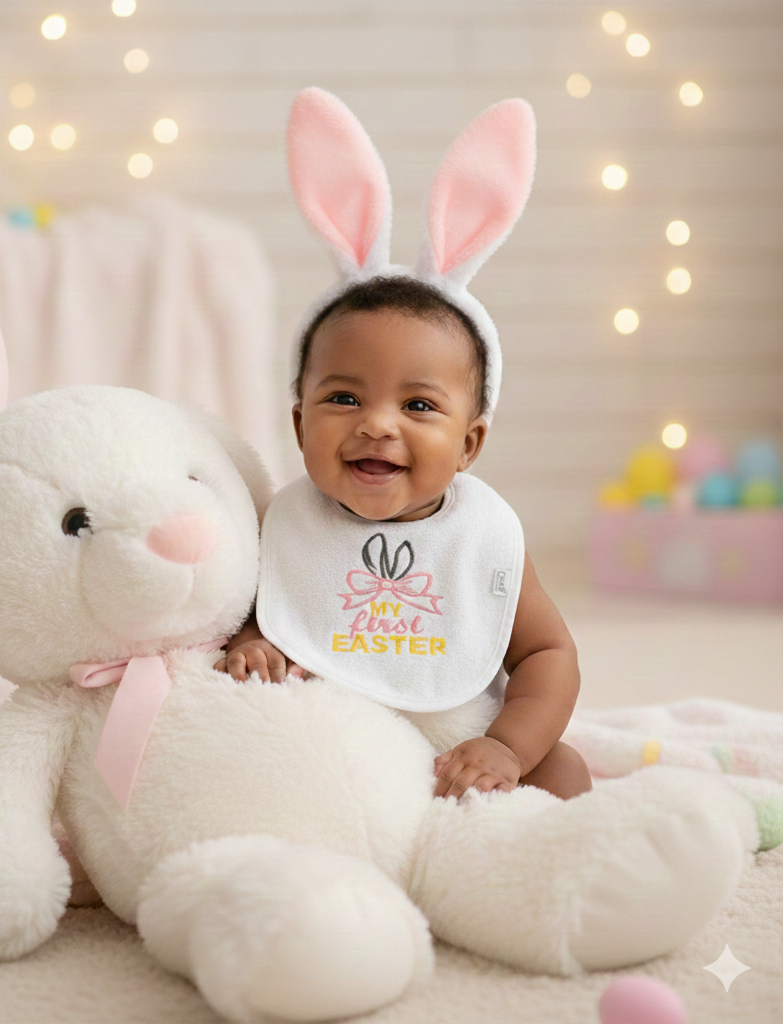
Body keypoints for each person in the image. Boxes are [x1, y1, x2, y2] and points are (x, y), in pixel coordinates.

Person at [214, 88, 592, 801]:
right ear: (300, 426)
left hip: (454, 760)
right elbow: (251, 617)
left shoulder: (482, 535)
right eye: (344, 398)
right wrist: (250, 647)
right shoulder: (281, 524)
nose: (378, 424)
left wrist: (508, 747)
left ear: (470, 443)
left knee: (564, 772)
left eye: (419, 405)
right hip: (328, 759)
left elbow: (548, 652)